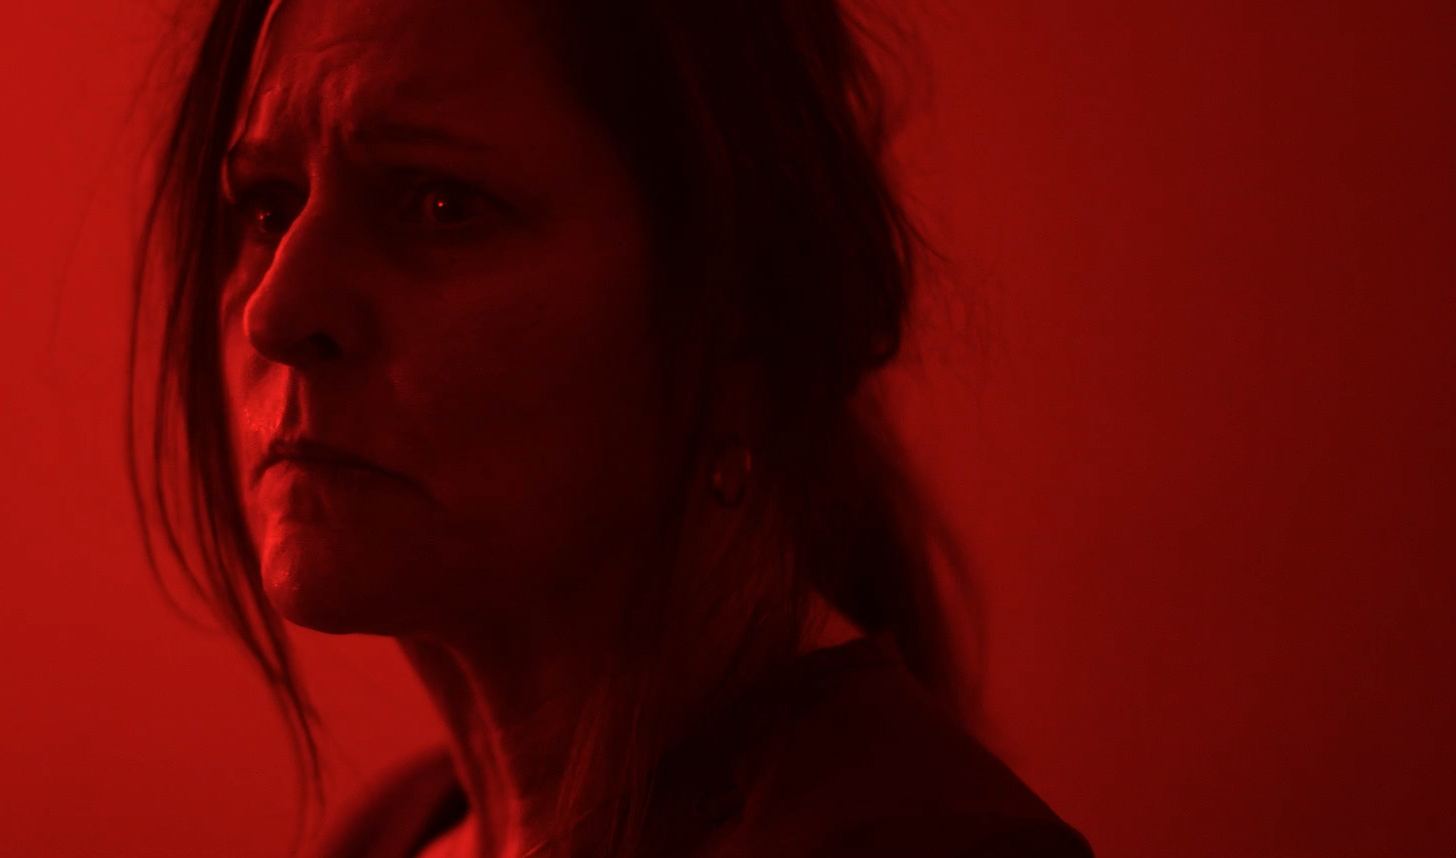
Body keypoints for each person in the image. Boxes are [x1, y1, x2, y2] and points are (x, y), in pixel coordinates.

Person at [127, 0, 1094, 855]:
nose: (278, 310)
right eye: (265, 205)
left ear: (740, 304)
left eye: (438, 204)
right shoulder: (393, 833)